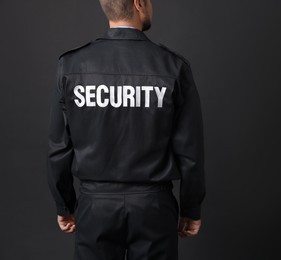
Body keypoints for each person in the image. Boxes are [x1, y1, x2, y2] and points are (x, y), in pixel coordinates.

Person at [46, 0, 206, 259]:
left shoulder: (71, 66)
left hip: (95, 207)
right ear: (139, 3)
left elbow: (59, 149)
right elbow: (190, 152)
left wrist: (64, 205)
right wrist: (191, 208)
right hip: (153, 207)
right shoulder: (173, 67)